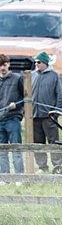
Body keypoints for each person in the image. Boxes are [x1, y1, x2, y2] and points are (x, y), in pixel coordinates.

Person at [31, 51, 62, 173]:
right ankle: (42, 167)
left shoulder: (54, 76)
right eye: (35, 62)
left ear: (45, 63)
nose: (36, 64)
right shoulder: (32, 75)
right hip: (35, 116)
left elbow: (61, 95)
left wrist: (56, 113)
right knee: (38, 143)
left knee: (53, 142)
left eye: (38, 62)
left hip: (49, 117)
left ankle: (57, 166)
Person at [0, 54, 24, 183]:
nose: (2, 68)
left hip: (13, 118)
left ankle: (19, 177)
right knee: (2, 151)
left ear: (8, 64)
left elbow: (26, 98)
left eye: (4, 65)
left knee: (16, 149)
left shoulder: (17, 78)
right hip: (0, 120)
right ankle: (4, 177)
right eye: (0, 66)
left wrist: (17, 105)